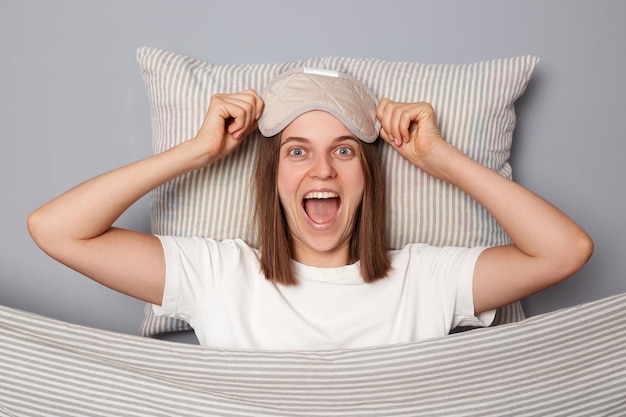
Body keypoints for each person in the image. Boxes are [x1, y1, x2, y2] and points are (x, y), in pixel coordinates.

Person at [27, 67, 593, 350]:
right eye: (297, 151)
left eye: (343, 151)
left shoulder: (427, 278)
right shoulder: (219, 275)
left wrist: (441, 158)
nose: (322, 171)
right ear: (272, 175)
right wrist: (196, 151)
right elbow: (55, 230)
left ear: (367, 176)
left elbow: (566, 251)